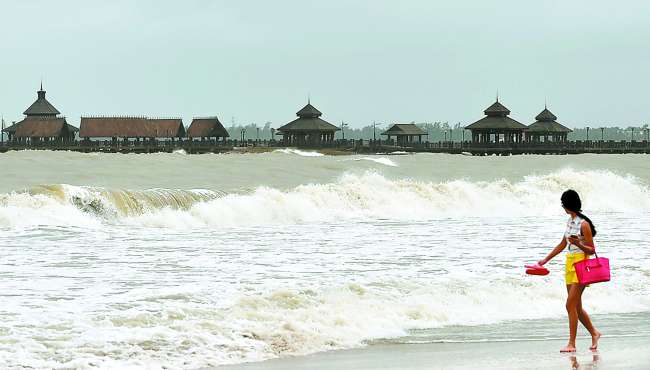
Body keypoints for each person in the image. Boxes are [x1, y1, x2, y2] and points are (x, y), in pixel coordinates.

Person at [538, 189, 601, 353]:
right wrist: (546, 259)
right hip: (570, 264)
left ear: (568, 204)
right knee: (576, 308)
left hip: (582, 265)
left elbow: (592, 250)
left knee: (569, 305)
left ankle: (572, 343)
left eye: (563, 204)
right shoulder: (569, 221)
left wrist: (579, 244)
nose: (562, 207)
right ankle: (594, 333)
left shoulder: (584, 224)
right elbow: (562, 244)